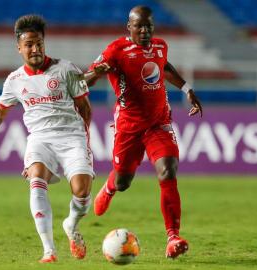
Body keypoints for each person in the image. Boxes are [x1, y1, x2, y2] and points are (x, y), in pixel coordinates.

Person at [0, 14, 94, 263]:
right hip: (40, 139)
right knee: (36, 178)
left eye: (39, 43)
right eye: (29, 45)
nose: (35, 49)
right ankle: (49, 250)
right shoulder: (14, 80)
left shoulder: (66, 69)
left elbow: (85, 108)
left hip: (72, 136)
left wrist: (83, 139)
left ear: (44, 43)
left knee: (82, 191)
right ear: (19, 48)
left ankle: (71, 225)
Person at [84, 6, 203, 259]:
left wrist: (187, 89)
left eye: (149, 26)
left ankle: (173, 237)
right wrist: (96, 72)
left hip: (158, 122)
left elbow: (165, 66)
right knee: (124, 181)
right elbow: (88, 78)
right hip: (128, 128)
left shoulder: (160, 46)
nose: (145, 30)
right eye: (139, 26)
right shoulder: (116, 50)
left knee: (168, 169)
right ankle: (109, 187)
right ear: (129, 27)